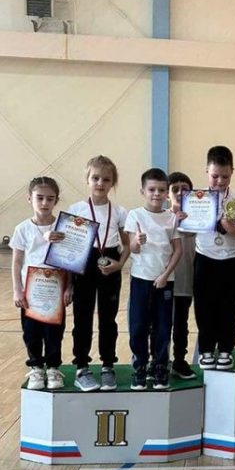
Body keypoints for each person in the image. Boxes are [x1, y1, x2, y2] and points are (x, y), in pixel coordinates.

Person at [68, 155, 129, 392]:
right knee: (82, 317)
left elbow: (127, 244)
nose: (100, 183)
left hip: (109, 263)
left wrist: (119, 264)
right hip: (83, 264)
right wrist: (69, 283)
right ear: (87, 179)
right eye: (95, 178)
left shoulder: (119, 212)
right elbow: (70, 248)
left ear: (113, 182)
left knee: (108, 318)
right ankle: (82, 367)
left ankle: (107, 366)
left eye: (106, 179)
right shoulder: (77, 210)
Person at [11, 176, 72, 391]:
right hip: (31, 290)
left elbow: (70, 258)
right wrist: (17, 290)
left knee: (54, 331)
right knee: (31, 331)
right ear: (29, 198)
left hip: (55, 288)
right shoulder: (22, 229)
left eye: (50, 198)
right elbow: (16, 261)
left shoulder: (64, 227)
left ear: (56, 200)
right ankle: (36, 367)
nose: (45, 203)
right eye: (40, 198)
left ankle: (53, 368)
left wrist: (69, 286)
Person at [193, 145, 235, 370]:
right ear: (206, 171)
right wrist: (182, 217)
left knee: (230, 307)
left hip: (232, 260)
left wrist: (228, 227)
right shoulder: (197, 198)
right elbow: (187, 231)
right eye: (215, 176)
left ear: (232, 172)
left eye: (225, 177)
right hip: (204, 259)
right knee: (204, 307)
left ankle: (226, 349)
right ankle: (206, 349)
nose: (219, 181)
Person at [125, 169, 182, 390]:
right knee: (138, 325)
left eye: (161, 190)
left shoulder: (171, 218)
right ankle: (139, 366)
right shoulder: (135, 215)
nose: (156, 194)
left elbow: (178, 250)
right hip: (141, 279)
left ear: (167, 193)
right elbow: (132, 248)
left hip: (165, 281)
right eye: (151, 189)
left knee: (163, 326)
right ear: (143, 191)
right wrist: (137, 241)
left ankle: (159, 367)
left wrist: (165, 275)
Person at [168, 171, 197, 378]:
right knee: (160, 325)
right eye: (175, 189)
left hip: (186, 280)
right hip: (164, 280)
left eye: (184, 189)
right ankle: (159, 361)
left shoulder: (200, 218)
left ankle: (179, 360)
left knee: (181, 324)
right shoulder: (162, 218)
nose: (179, 192)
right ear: (167, 194)